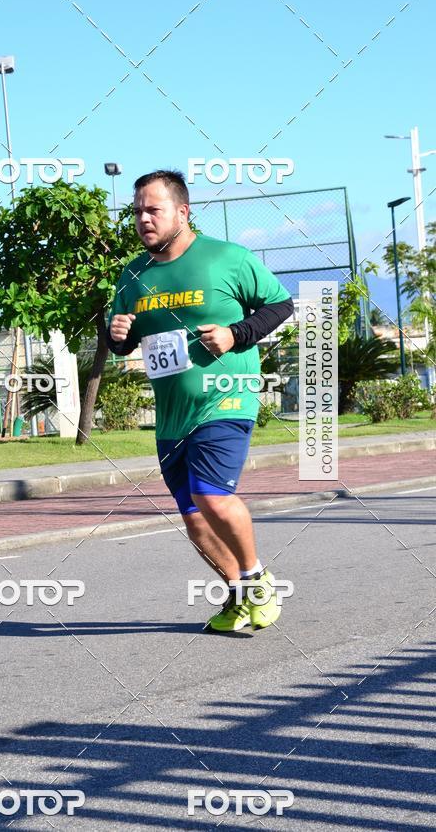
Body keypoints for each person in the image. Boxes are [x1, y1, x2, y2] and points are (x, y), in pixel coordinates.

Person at [107, 170, 294, 632]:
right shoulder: (134, 273)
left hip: (225, 401)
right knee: (194, 520)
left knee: (211, 496)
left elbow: (279, 304)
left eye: (154, 209)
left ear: (183, 212)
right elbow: (122, 338)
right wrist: (116, 337)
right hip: (172, 414)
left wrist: (236, 334)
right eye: (137, 212)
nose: (143, 219)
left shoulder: (226, 259)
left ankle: (257, 580)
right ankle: (237, 597)